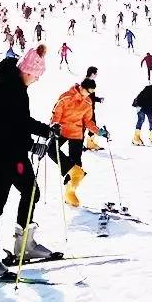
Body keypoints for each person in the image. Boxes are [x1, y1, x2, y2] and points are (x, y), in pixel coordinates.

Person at [0, 45, 55, 277]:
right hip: (0, 155)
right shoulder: (8, 89)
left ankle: (24, 245)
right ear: (27, 71)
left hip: (14, 154)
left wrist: (37, 138)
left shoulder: (15, 87)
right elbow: (13, 124)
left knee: (31, 191)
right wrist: (41, 135)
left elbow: (17, 122)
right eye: (36, 76)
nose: (36, 80)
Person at [48, 78, 98, 206]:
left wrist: (98, 131)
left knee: (76, 163)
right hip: (62, 130)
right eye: (88, 91)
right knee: (51, 150)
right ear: (82, 87)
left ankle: (70, 192)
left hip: (76, 133)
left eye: (91, 92)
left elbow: (88, 121)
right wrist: (55, 125)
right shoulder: (66, 97)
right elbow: (56, 113)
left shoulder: (87, 102)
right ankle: (72, 170)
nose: (89, 94)